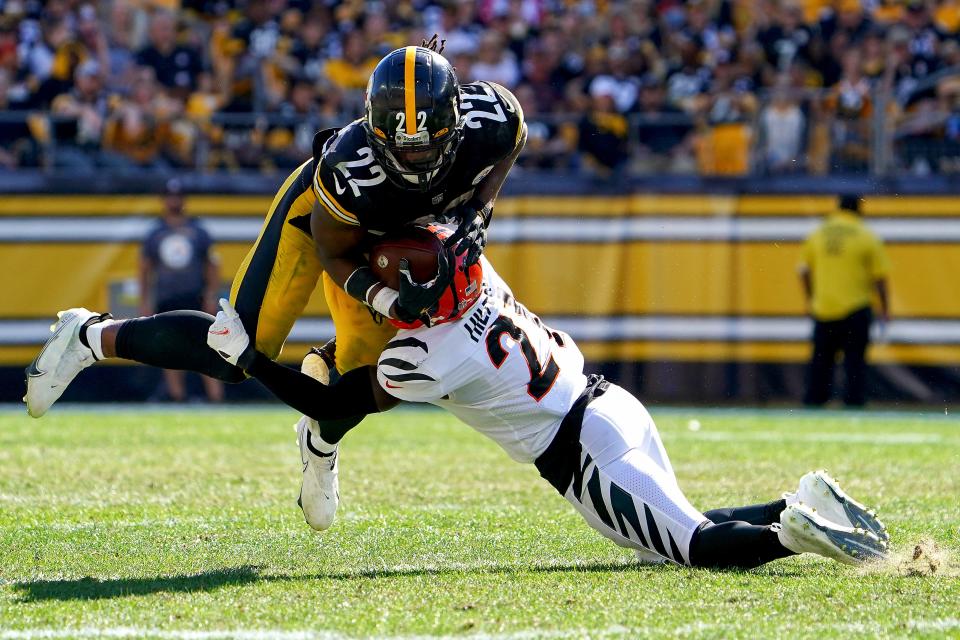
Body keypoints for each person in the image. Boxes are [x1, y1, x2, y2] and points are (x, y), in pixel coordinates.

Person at [25, 39, 526, 529]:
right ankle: (89, 336)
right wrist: (385, 297)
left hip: (396, 231)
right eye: (401, 147)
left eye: (428, 145)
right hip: (325, 222)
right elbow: (336, 251)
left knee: (367, 376)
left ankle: (320, 444)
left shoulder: (495, 119)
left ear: (456, 124)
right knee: (237, 350)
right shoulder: (347, 167)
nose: (415, 160)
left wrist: (477, 213)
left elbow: (512, 139)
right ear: (374, 129)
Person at [206, 222, 889, 569]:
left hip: (582, 459)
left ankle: (789, 536)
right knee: (675, 525)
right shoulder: (479, 271)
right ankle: (799, 502)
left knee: (697, 547)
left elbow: (332, 404)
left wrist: (254, 362)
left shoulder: (425, 354)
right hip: (611, 403)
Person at [799, 194, 891, 407]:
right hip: (856, 307)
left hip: (823, 307)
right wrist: (885, 308)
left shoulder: (818, 233)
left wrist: (810, 298)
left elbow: (803, 270)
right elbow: (880, 277)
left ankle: (815, 403)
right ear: (858, 210)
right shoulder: (865, 234)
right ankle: (853, 403)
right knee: (855, 364)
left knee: (821, 363)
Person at [140, 179, 223, 403]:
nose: (174, 201)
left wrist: (211, 295)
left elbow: (211, 265)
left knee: (206, 347)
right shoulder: (155, 233)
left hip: (194, 296)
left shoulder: (198, 231)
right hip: (167, 298)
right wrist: (145, 300)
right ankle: (178, 396)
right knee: (170, 349)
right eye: (169, 196)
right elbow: (145, 268)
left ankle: (216, 397)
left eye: (177, 196)